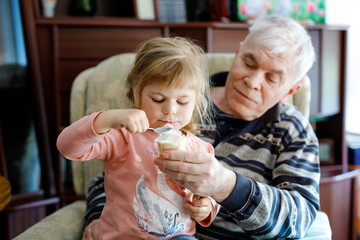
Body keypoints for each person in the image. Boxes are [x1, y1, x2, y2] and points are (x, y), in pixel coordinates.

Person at [82, 15, 332, 239]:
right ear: (237, 53)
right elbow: (115, 171)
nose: (252, 81)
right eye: (249, 62)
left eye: (271, 78)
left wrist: (227, 187)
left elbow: (301, 218)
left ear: (290, 90)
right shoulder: (179, 102)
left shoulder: (292, 129)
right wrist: (97, 217)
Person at [57, 37, 220, 239]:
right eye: (158, 99)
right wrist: (106, 119)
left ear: (196, 101)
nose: (170, 109)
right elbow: (67, 147)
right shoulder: (122, 137)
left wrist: (206, 208)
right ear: (137, 93)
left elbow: (208, 193)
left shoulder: (201, 149)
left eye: (182, 101)